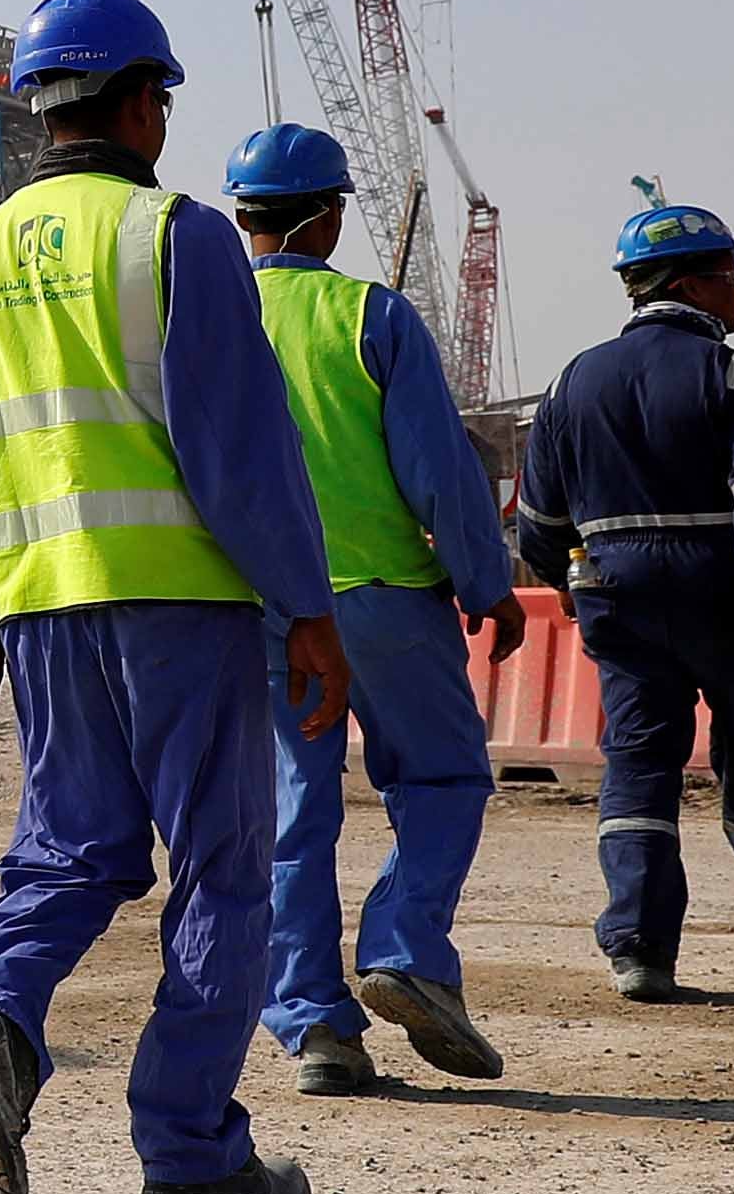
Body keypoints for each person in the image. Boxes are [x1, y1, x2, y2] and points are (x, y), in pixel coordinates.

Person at [0, 0, 351, 1194]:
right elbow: (240, 450)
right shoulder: (177, 237)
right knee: (222, 870)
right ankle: (191, 1148)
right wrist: (306, 605)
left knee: (73, 850)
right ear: (145, 104)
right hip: (183, 603)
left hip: (42, 609)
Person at [222, 123, 526, 1093]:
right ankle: (403, 945)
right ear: (333, 216)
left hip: (257, 609)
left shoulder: (203, 320)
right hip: (384, 600)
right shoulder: (372, 316)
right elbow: (440, 472)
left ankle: (314, 1026)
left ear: (242, 217)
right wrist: (488, 586)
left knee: (295, 809)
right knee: (440, 779)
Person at [513, 203, 734, 999]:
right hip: (728, 596)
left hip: (617, 595)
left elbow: (538, 520)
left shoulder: (571, 380)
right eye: (727, 276)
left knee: (639, 764)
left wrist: (567, 581)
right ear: (690, 282)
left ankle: (640, 945)